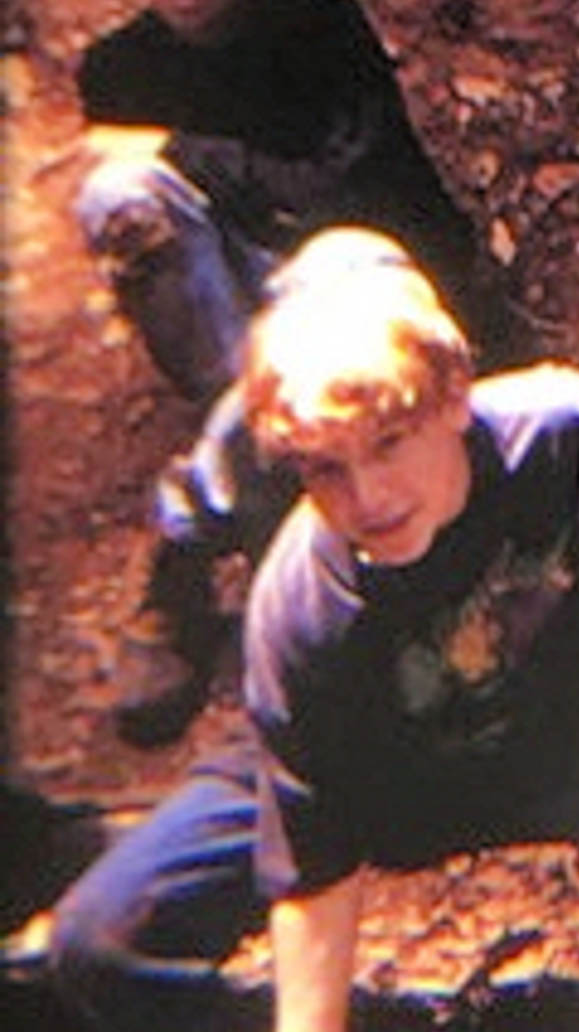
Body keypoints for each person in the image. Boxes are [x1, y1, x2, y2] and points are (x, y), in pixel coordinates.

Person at [47, 228, 579, 1032]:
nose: (367, 497)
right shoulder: (297, 609)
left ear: (454, 395)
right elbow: (313, 873)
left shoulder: (564, 431)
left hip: (578, 731)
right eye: (325, 469)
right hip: (379, 769)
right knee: (97, 944)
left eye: (389, 441)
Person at [72, 0, 520, 740]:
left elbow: (330, 192)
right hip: (237, 305)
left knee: (310, 321)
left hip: (351, 266)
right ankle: (274, 461)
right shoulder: (117, 67)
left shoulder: (316, 24)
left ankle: (200, 528)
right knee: (117, 200)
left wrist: (179, 148)